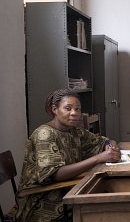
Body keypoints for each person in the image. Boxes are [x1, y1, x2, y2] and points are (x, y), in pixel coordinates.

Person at [16, 89, 121, 221]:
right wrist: (98, 158)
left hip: (69, 188)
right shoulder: (44, 134)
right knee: (107, 207)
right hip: (44, 199)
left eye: (78, 109)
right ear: (55, 109)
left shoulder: (73, 131)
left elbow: (103, 140)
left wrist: (111, 146)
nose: (74, 113)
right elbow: (55, 174)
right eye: (68, 108)